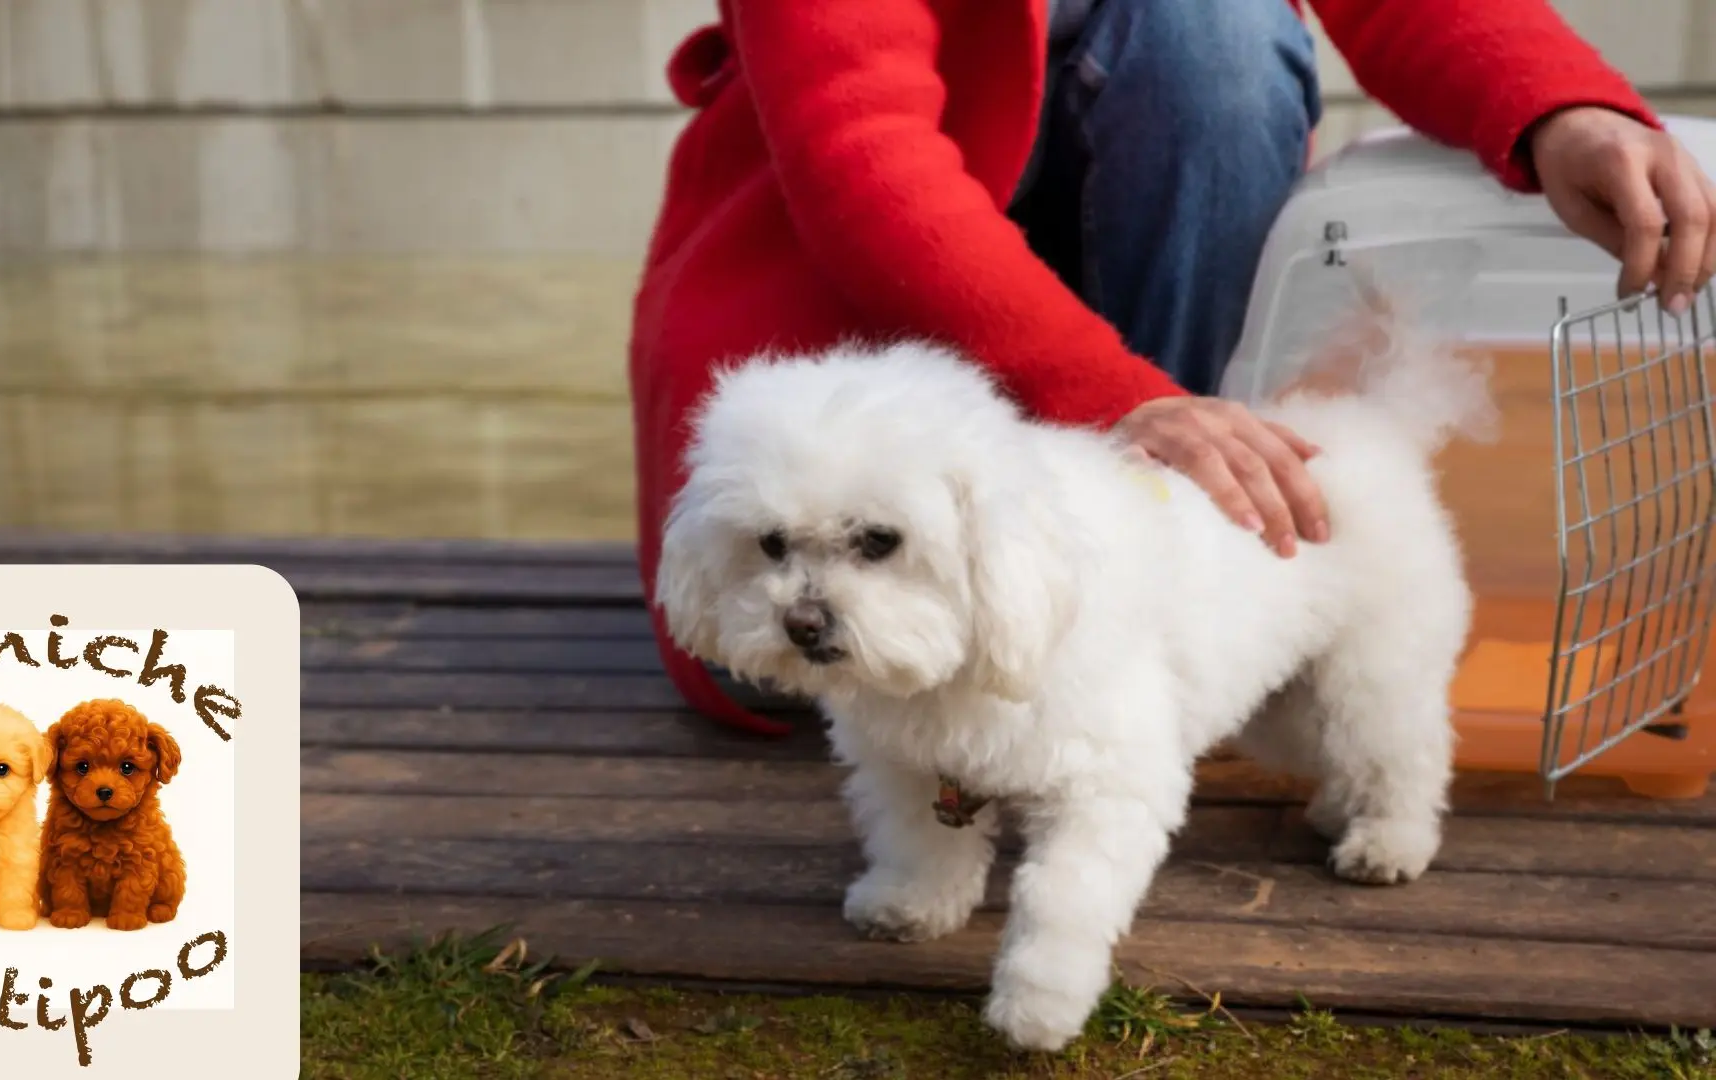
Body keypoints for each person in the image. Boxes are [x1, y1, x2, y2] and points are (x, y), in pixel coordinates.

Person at [629, 0, 1716, 736]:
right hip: (840, 371)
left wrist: (1560, 110)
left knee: (1214, 27)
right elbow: (861, 155)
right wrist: (1123, 397)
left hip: (1115, 488)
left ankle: (1191, 599)